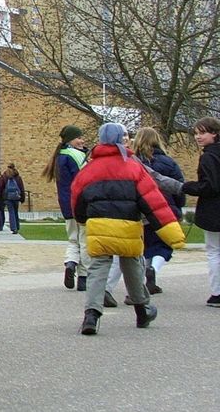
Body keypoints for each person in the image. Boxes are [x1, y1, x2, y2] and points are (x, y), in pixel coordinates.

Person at [70, 123, 185, 335]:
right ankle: (142, 310)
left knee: (98, 268)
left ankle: (91, 315)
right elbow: (153, 202)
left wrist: (82, 219)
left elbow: (77, 199)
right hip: (128, 226)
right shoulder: (133, 167)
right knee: (132, 267)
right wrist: (172, 233)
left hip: (99, 226)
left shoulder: (88, 169)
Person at [132, 127, 185, 296]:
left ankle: (147, 275)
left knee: (146, 246)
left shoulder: (133, 162)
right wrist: (178, 207)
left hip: (142, 210)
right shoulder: (168, 162)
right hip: (165, 208)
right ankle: (154, 268)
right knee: (164, 245)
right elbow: (178, 186)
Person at [42, 125, 90, 291]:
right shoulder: (77, 155)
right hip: (80, 203)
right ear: (71, 139)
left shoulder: (59, 156)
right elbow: (86, 179)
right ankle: (83, 276)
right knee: (84, 241)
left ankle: (71, 263)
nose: (82, 140)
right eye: (79, 137)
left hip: (66, 204)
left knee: (72, 239)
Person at [181, 116, 220, 307]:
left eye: (202, 133)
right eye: (196, 133)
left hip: (214, 211)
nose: (198, 137)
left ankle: (217, 293)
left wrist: (188, 187)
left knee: (214, 251)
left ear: (214, 133)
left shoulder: (208, 157)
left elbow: (209, 186)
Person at [0, 163, 26, 233]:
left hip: (8, 197)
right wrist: (22, 198)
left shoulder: (4, 176)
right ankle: (17, 226)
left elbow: (0, 186)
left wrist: (2, 195)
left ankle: (14, 228)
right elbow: (21, 188)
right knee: (16, 211)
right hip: (16, 197)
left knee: (11, 212)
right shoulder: (18, 177)